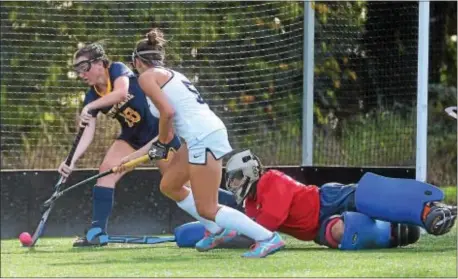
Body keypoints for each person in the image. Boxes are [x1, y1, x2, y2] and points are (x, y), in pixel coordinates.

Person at [117, 28, 285, 258]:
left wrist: (164, 142)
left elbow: (167, 114)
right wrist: (131, 159)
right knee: (170, 185)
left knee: (207, 207)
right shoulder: (170, 75)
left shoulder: (147, 77)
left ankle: (267, 237)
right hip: (200, 135)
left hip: (202, 137)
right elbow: (167, 129)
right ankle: (218, 231)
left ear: (136, 60)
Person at [175, 149, 457, 250]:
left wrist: (222, 235)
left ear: (250, 172)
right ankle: (396, 232)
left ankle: (430, 212)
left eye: (236, 178)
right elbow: (248, 228)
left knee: (367, 196)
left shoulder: (273, 180)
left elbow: (266, 226)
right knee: (341, 234)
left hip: (328, 199)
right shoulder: (250, 204)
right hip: (317, 230)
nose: (234, 184)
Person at [57, 42, 181, 247]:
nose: (81, 74)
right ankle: (97, 232)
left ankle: (226, 212)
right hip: (131, 138)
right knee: (106, 171)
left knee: (179, 185)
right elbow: (88, 132)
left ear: (99, 63)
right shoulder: (92, 95)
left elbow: (121, 93)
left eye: (83, 67)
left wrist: (90, 106)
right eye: (77, 70)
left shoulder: (117, 69)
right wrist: (71, 161)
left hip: (160, 135)